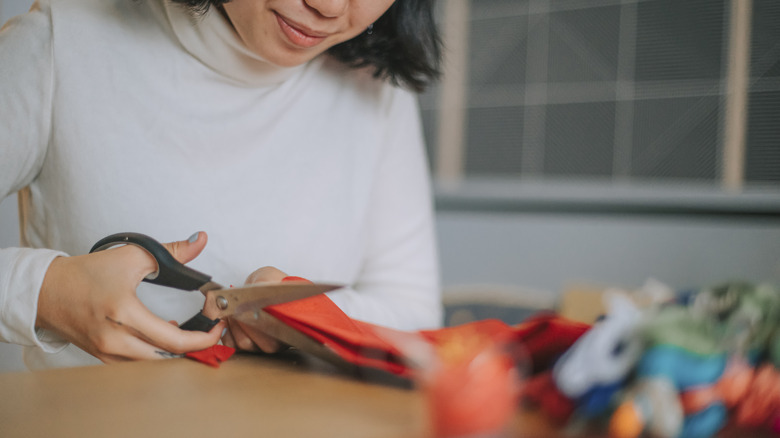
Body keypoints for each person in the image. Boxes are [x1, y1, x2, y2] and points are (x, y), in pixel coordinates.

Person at [0, 0, 443, 369]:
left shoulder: (376, 83)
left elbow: (415, 318)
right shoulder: (61, 42)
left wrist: (308, 321)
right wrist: (42, 291)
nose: (326, 6)